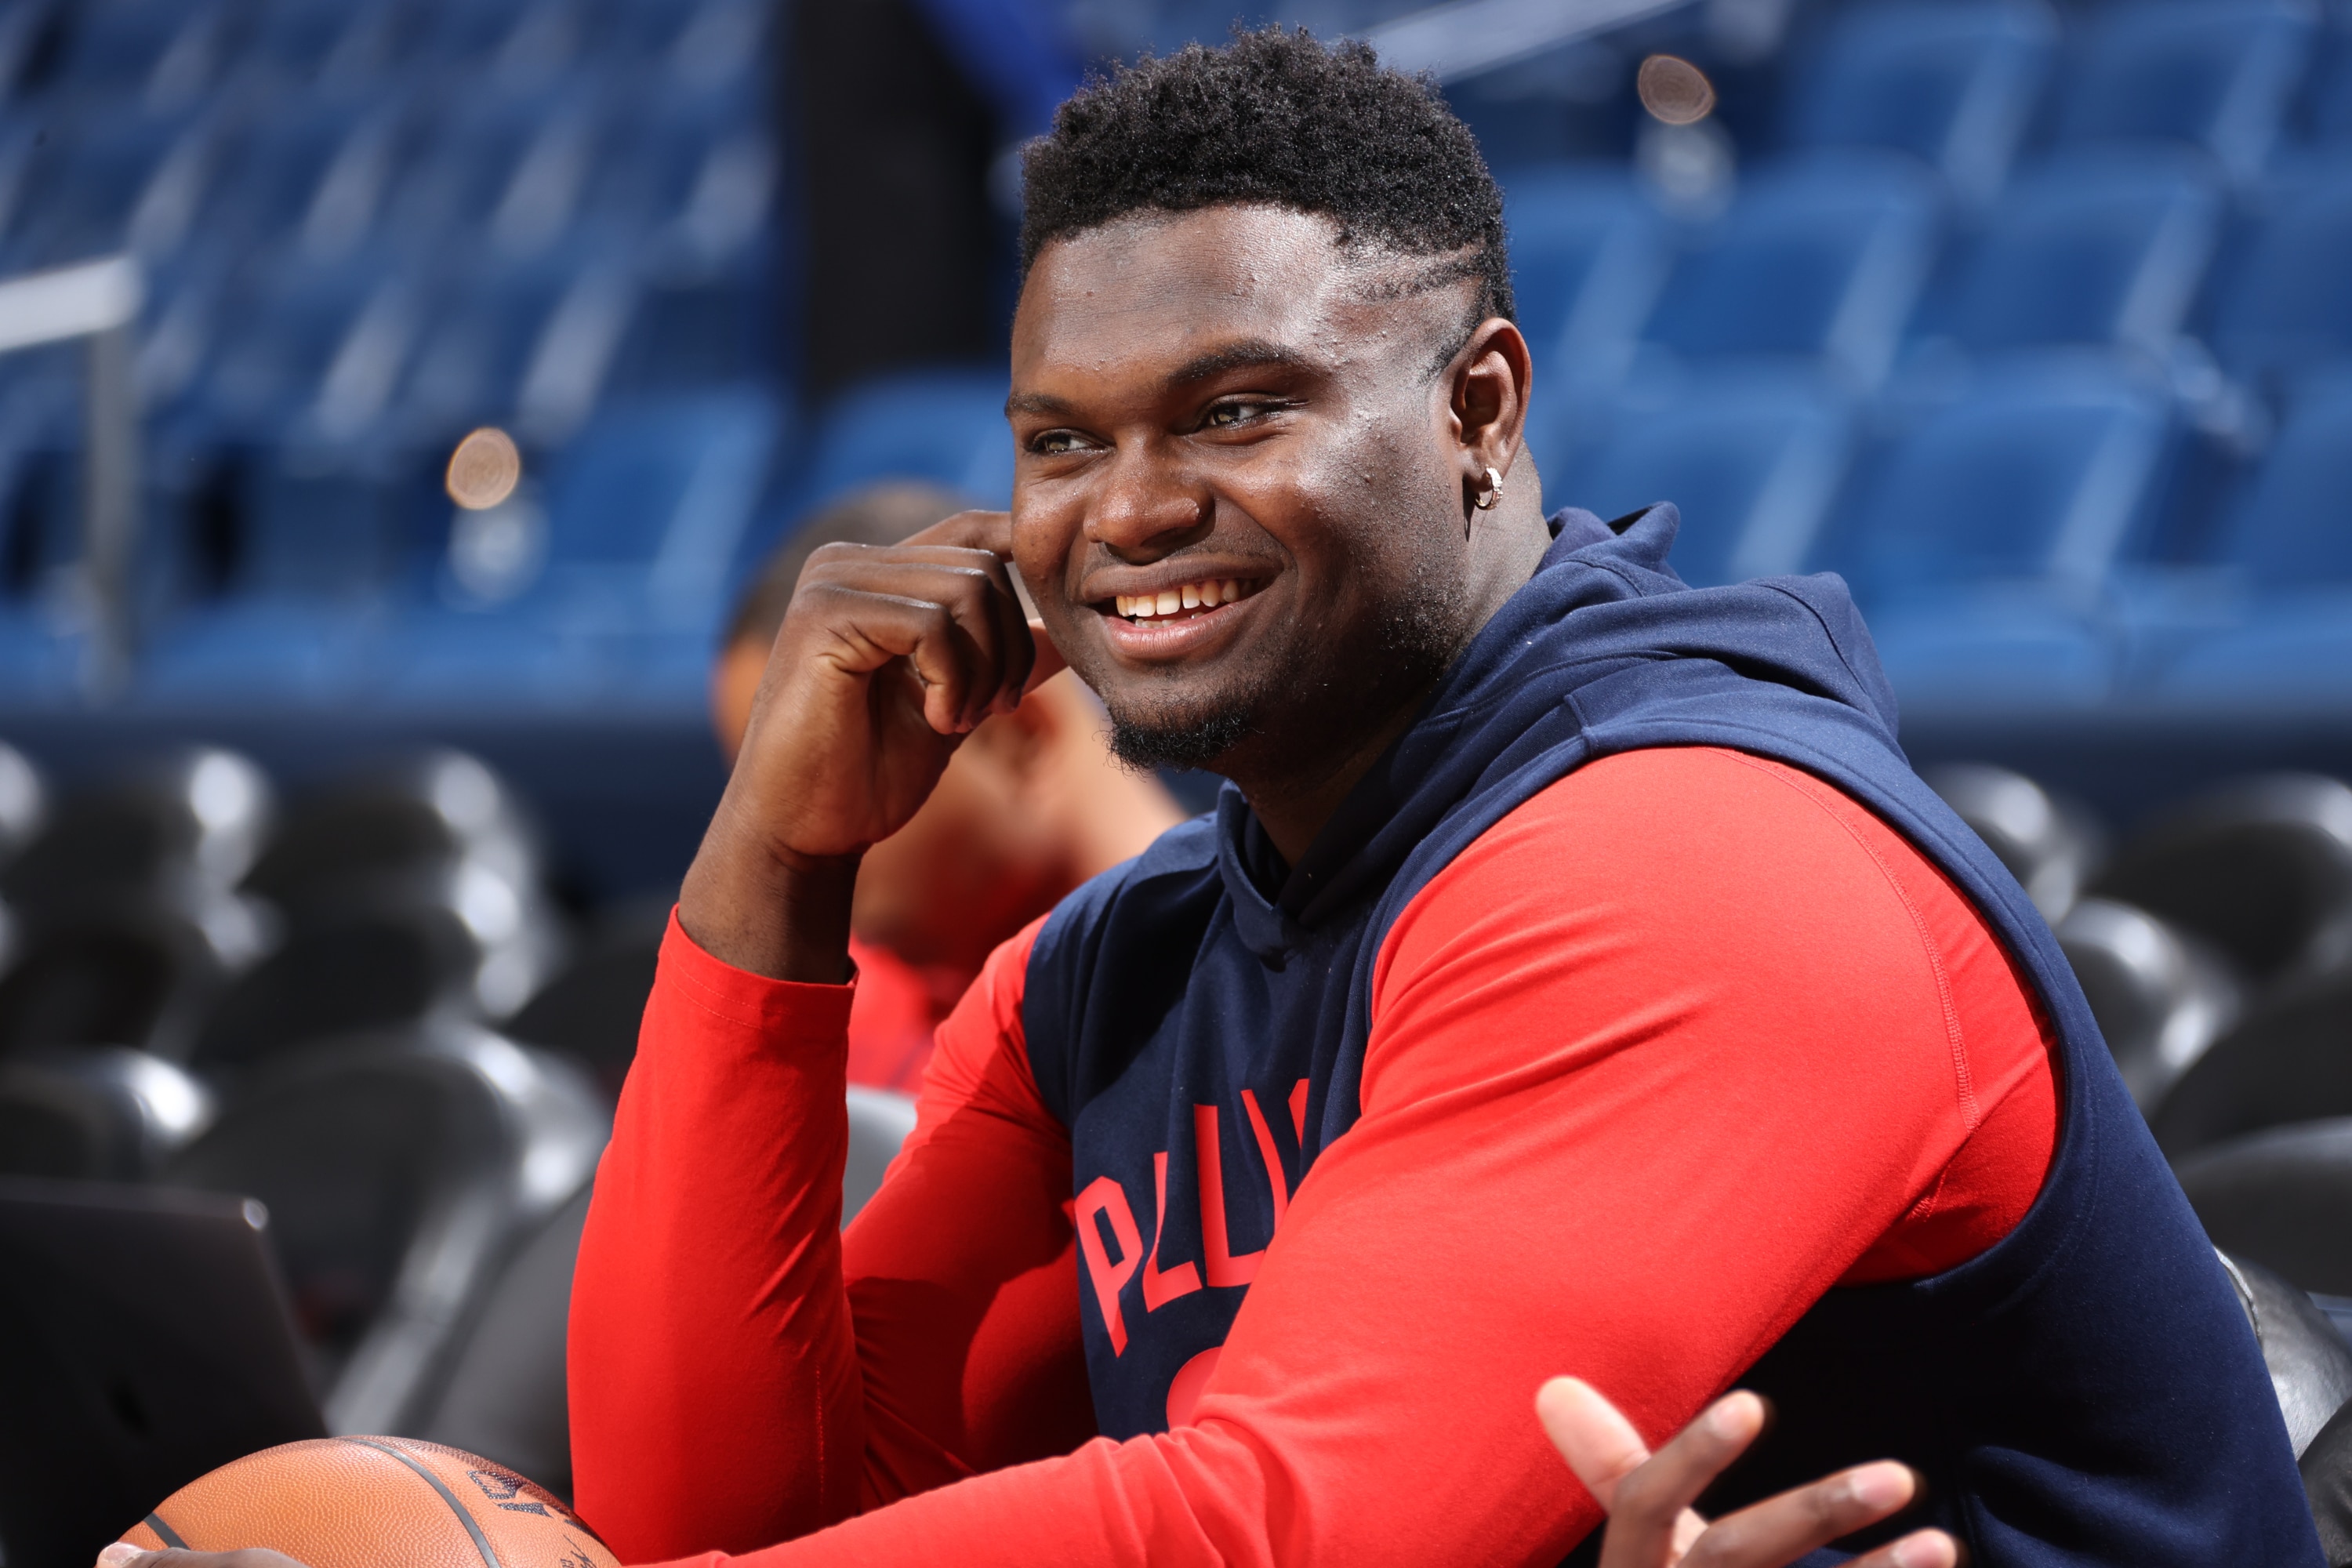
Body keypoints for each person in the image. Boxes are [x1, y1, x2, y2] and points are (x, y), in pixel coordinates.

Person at [103, 27, 2316, 1568]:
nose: (1126, 509)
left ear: (1479, 402)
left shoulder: (1704, 860)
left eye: (1235, 408)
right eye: (1060, 440)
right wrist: (770, 871)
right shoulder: (1123, 971)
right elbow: (717, 1507)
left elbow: (1296, 1527)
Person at [713, 481, 1185, 1090]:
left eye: (826, 776)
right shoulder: (850, 1021)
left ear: (1019, 742)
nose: (795, 838)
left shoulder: (1266, 1003)